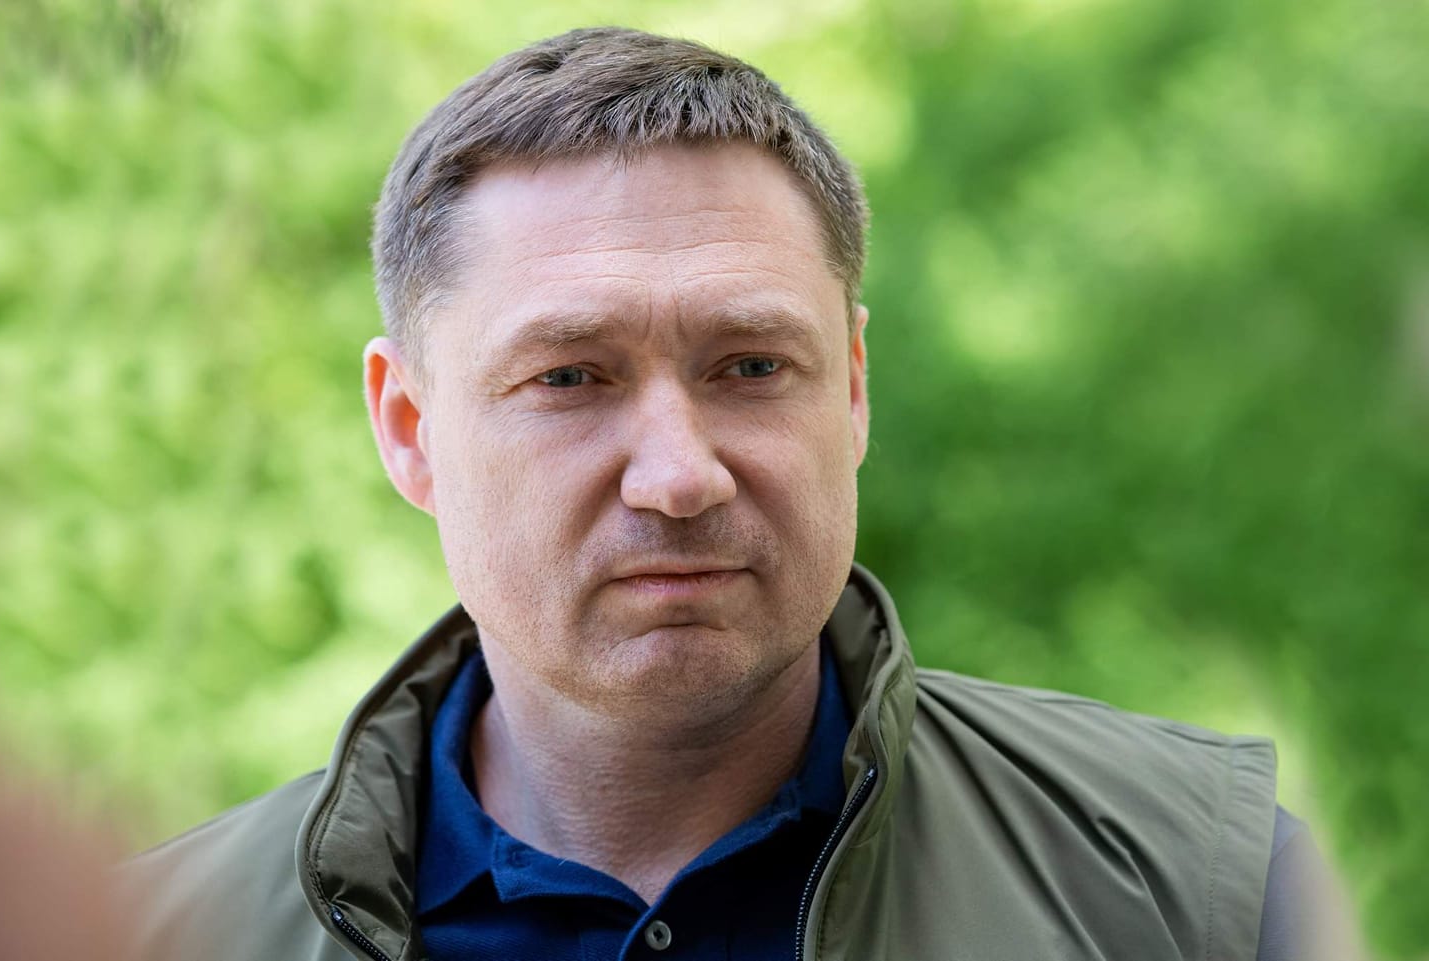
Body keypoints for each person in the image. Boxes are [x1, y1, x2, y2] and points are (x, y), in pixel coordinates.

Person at [122, 26, 1357, 961]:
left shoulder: (1204, 893)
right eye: (570, 377)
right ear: (409, 429)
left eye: (752, 366)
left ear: (854, 389)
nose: (678, 475)